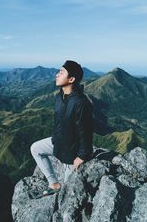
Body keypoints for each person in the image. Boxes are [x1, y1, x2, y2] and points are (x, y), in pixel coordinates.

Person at [30, 60, 93, 197]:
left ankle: (61, 187)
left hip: (73, 154)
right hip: (58, 144)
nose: (57, 75)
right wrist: (55, 139)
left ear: (71, 79)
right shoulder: (60, 97)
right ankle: (53, 183)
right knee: (35, 148)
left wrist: (82, 156)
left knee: (67, 194)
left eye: (61, 72)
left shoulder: (81, 103)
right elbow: (59, 123)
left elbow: (86, 131)